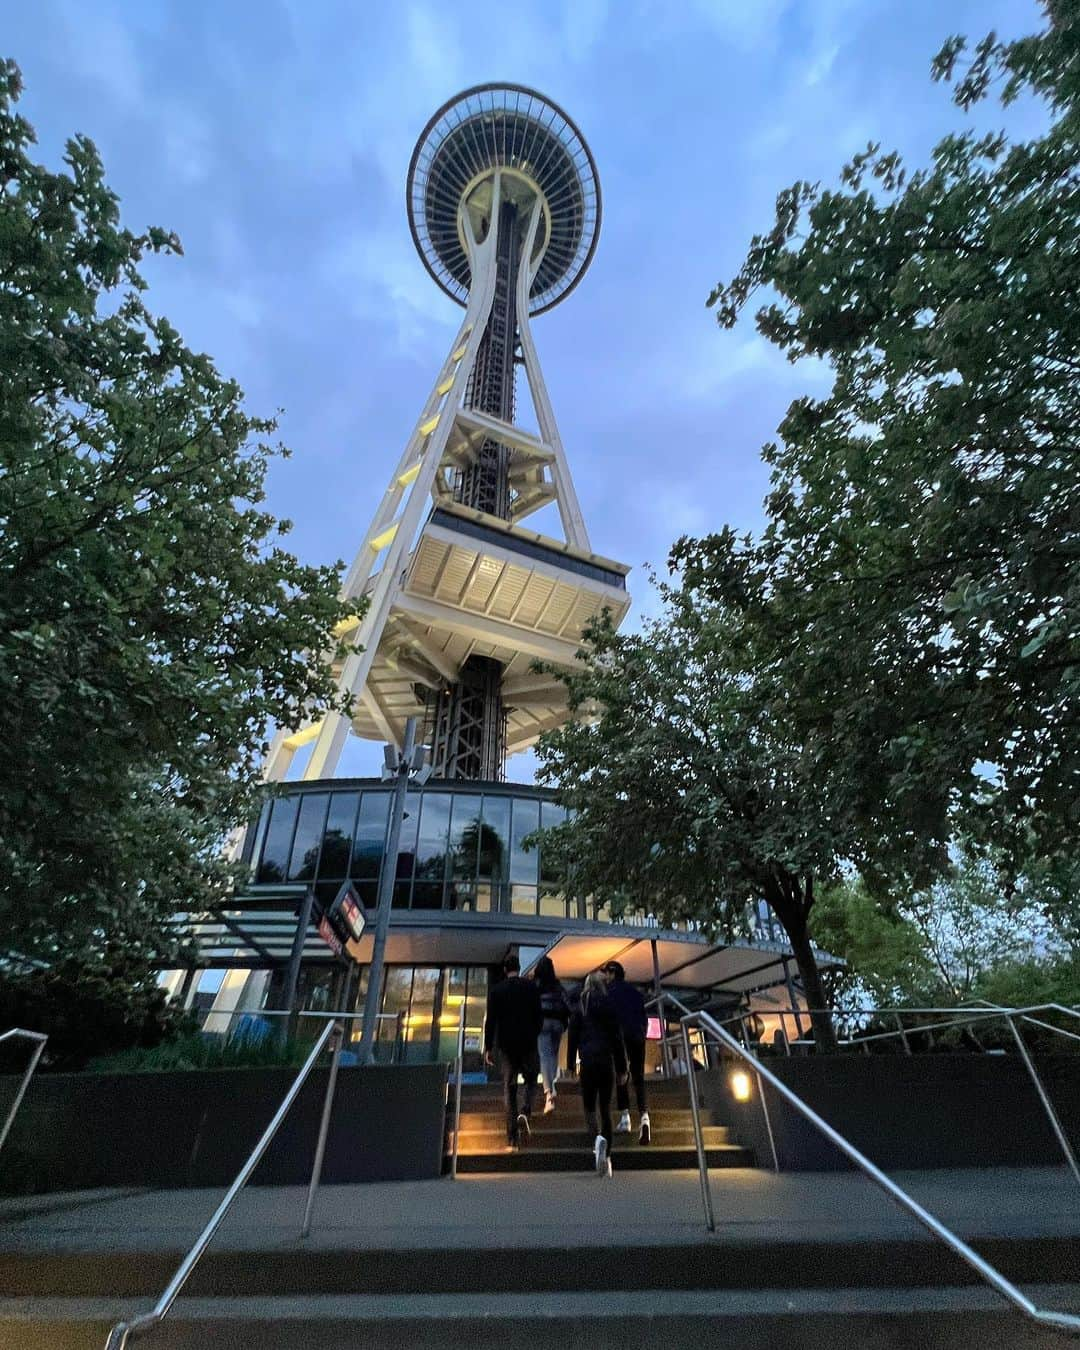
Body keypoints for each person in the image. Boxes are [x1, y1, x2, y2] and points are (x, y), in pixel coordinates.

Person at [569, 970, 627, 1177]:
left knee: (589, 1108)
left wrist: (570, 1065)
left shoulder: (580, 1008)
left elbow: (573, 1037)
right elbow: (617, 1039)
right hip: (606, 1062)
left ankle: (597, 1141)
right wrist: (622, 1068)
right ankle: (608, 1156)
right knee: (605, 1109)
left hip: (587, 1062)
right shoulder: (609, 1006)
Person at [484, 953, 543, 1148]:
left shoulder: (496, 990)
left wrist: (488, 1047)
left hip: (507, 1044)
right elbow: (539, 1017)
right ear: (519, 967)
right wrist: (534, 1032)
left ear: (504, 970)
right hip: (528, 1041)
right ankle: (525, 1109)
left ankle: (512, 1137)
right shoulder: (531, 988)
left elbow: (491, 1021)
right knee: (532, 1078)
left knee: (509, 1088)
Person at [601, 960, 651, 1144]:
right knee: (638, 1077)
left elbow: (608, 1020)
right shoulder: (636, 993)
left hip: (619, 1039)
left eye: (606, 973)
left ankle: (625, 1118)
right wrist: (642, 1033)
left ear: (612, 974)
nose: (605, 977)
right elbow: (644, 1018)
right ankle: (644, 1117)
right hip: (637, 1036)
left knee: (621, 1075)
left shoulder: (608, 994)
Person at [532, 956, 569, 1114]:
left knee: (545, 1056)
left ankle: (549, 1092)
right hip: (558, 1024)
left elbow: (532, 1006)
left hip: (543, 1023)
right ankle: (552, 1082)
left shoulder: (536, 986)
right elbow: (566, 1004)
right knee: (553, 1055)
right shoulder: (558, 985)